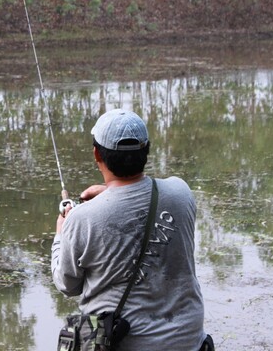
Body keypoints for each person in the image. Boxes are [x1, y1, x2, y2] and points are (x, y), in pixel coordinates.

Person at [51, 109, 210, 350]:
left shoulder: (81, 219)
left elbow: (68, 284)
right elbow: (143, 201)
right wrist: (111, 194)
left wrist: (61, 234)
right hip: (189, 343)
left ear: (97, 154)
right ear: (146, 150)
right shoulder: (181, 192)